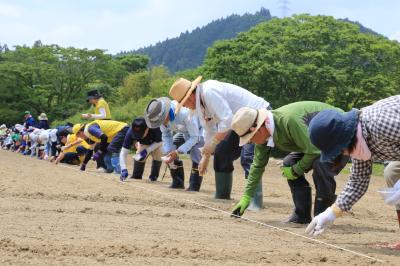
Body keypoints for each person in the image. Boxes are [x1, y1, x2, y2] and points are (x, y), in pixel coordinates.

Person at [305, 95, 400, 250]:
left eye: (337, 149)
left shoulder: (379, 124)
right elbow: (358, 180)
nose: (341, 153)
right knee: (393, 172)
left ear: (343, 139)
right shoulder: (359, 139)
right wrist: (331, 213)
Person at [230, 102, 348, 223]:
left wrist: (296, 169)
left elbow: (314, 151)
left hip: (339, 134)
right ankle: (301, 215)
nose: (250, 143)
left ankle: (322, 217)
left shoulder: (288, 121)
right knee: (288, 163)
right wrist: (247, 196)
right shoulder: (264, 135)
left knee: (320, 164)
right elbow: (257, 165)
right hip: (316, 143)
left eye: (249, 139)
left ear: (257, 130)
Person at [169, 76, 270, 201]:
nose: (185, 107)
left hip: (258, 116)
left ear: (190, 96)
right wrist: (205, 156)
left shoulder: (209, 92)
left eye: (184, 103)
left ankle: (255, 201)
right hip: (237, 122)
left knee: (248, 157)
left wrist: (214, 142)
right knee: (221, 154)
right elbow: (209, 130)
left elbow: (227, 120)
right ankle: (222, 196)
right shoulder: (199, 106)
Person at [144, 97, 204, 191]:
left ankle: (194, 185)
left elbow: (194, 137)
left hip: (200, 130)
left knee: (195, 151)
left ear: (166, 113)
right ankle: (178, 182)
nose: (161, 124)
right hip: (183, 131)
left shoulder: (185, 113)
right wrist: (169, 151)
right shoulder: (160, 118)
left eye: (161, 120)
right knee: (169, 150)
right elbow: (166, 134)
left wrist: (178, 151)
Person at [119, 117, 163, 182]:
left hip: (157, 143)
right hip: (144, 144)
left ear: (147, 129)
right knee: (139, 155)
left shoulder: (155, 127)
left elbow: (159, 141)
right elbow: (123, 152)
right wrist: (123, 169)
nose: (138, 136)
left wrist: (147, 151)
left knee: (158, 154)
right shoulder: (130, 132)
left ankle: (154, 177)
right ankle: (136, 176)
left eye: (140, 133)